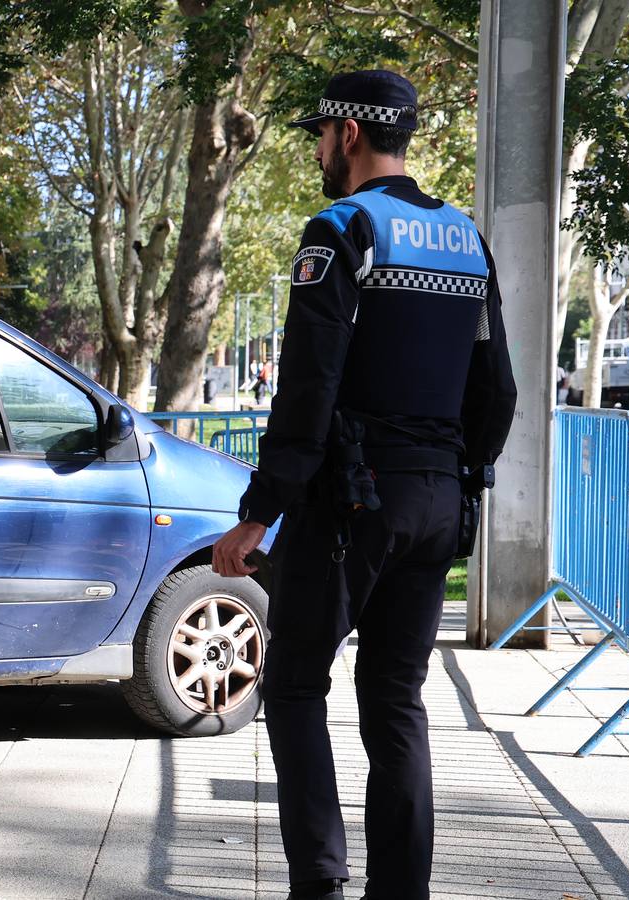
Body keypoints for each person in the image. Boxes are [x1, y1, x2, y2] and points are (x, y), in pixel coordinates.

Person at [210, 70, 517, 900]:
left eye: (319, 134)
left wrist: (258, 513)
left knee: (297, 683)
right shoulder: (465, 238)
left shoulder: (341, 229)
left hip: (352, 501)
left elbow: (307, 386)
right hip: (436, 500)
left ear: (348, 134)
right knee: (394, 700)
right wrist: (463, 479)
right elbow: (500, 391)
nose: (317, 149)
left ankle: (318, 882)